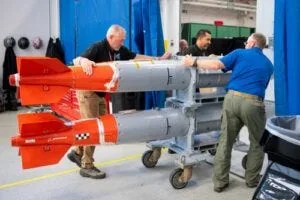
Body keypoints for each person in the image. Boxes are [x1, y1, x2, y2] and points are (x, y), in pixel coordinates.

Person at [68, 24, 171, 179]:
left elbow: (136, 57)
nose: (122, 43)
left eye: (123, 40)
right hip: (88, 93)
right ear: (110, 37)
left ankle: (77, 152)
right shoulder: (98, 47)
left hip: (101, 93)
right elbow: (77, 59)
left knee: (102, 124)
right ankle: (86, 165)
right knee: (93, 128)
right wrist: (83, 61)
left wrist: (158, 59)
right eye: (120, 40)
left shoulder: (118, 50)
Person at [183, 33, 273, 192]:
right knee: (257, 143)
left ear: (251, 43)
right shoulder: (268, 64)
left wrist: (193, 61)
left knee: (225, 141)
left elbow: (217, 65)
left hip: (231, 99)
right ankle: (252, 180)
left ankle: (220, 182)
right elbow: (262, 85)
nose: (246, 43)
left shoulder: (239, 53)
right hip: (254, 103)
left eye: (247, 41)